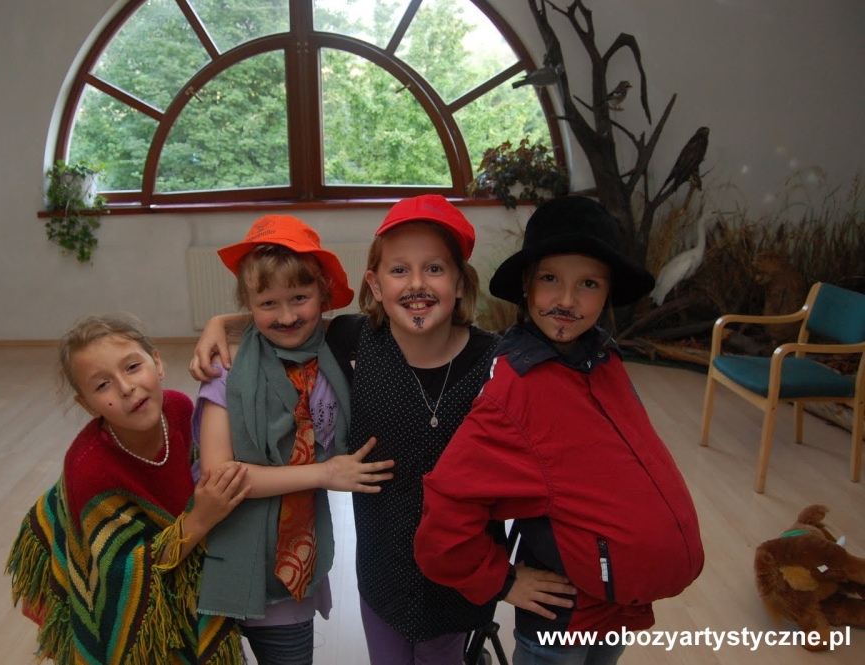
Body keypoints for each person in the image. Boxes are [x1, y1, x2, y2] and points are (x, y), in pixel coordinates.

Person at [191, 196, 560, 665]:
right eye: (399, 270)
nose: (417, 283)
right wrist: (219, 324)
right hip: (382, 577)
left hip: (459, 581)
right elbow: (287, 318)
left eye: (434, 269)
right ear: (375, 284)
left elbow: (545, 468)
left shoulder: (497, 363)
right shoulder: (354, 341)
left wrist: (506, 577)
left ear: (461, 283)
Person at [414, 196, 705, 665]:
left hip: (617, 607)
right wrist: (503, 580)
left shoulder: (603, 359)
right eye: (550, 279)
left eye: (588, 283)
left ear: (608, 293)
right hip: (562, 624)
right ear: (527, 285)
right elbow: (445, 521)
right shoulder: (516, 389)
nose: (567, 300)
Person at [193, 214, 395, 665]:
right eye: (268, 304)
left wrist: (220, 320)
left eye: (300, 298)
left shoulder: (339, 349)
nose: (286, 317)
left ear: (323, 294)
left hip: (293, 560)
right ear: (249, 304)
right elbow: (219, 475)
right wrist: (324, 473)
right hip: (222, 555)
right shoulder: (226, 369)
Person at [6, 312, 250, 664]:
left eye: (133, 367)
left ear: (158, 364)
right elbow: (119, 575)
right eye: (102, 385)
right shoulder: (89, 469)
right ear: (86, 405)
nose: (125, 388)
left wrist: (219, 323)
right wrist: (199, 520)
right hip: (113, 562)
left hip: (176, 544)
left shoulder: (180, 409)